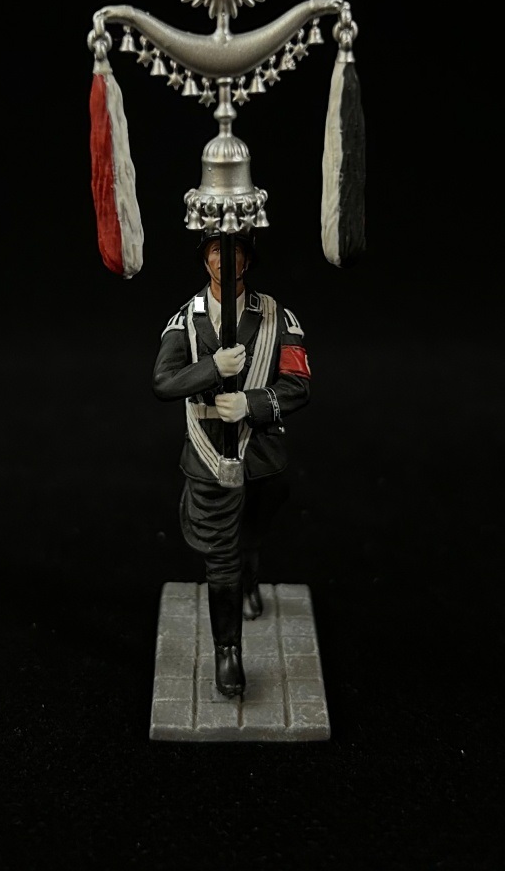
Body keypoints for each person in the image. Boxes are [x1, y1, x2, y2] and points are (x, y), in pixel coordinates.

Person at [151, 233, 312, 697]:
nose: (225, 259)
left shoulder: (278, 317)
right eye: (215, 251)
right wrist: (212, 369)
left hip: (261, 455)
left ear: (248, 261)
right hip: (208, 454)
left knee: (252, 534)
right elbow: (163, 381)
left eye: (235, 251)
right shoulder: (186, 319)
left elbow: (298, 384)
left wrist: (253, 404)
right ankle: (228, 651)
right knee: (221, 557)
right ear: (204, 260)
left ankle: (251, 581)